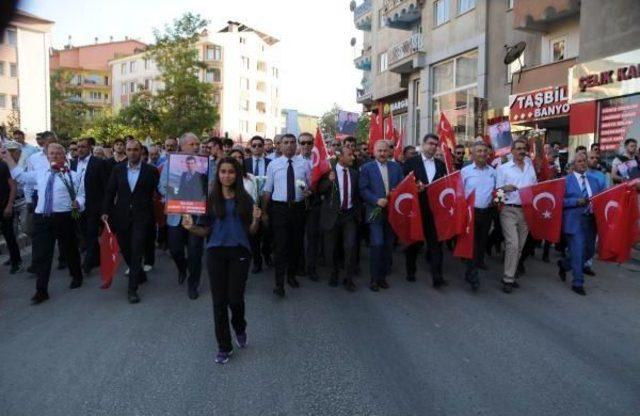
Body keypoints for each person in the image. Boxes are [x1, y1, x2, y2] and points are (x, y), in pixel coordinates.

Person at [181, 157, 261, 364]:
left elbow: (252, 231)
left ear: (237, 175)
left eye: (231, 172)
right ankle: (224, 347)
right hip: (216, 253)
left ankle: (240, 327)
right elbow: (205, 230)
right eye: (223, 172)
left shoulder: (245, 199)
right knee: (219, 303)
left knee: (235, 299)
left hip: (240, 253)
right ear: (218, 175)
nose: (227, 175)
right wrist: (191, 228)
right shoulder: (210, 200)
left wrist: (256, 220)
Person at [2, 143, 85, 304]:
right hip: (43, 218)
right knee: (42, 254)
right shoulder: (40, 173)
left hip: (64, 217)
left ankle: (77, 275)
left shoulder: (72, 175)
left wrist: (79, 203)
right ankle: (41, 290)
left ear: (64, 155)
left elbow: (82, 195)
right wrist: (8, 157)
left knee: (69, 249)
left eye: (58, 153)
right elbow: (19, 176)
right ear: (47, 156)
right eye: (51, 153)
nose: (54, 156)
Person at [102, 139, 159, 303]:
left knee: (136, 251)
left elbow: (160, 190)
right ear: (125, 152)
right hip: (121, 216)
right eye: (129, 150)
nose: (132, 152)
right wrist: (105, 211)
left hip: (142, 217)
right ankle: (139, 274)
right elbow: (110, 192)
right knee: (126, 249)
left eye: (136, 149)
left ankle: (132, 289)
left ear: (141, 151)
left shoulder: (151, 171)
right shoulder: (118, 170)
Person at [159, 132, 208, 300]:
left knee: (195, 251)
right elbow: (162, 186)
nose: (196, 147)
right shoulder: (170, 164)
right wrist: (175, 195)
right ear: (183, 146)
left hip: (197, 215)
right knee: (175, 249)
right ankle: (182, 268)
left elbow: (211, 187)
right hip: (176, 214)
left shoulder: (206, 164)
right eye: (192, 144)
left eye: (197, 144)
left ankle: (193, 284)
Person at [262, 133, 311, 297]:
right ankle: (279, 284)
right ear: (280, 146)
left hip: (297, 208)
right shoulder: (273, 165)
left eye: (292, 142)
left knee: (296, 245)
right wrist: (263, 212)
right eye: (285, 143)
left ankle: (291, 275)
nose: (289, 145)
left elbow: (309, 186)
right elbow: (268, 189)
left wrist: (307, 192)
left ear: (296, 145)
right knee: (281, 246)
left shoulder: (304, 164)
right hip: (279, 209)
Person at [403, 134, 448, 287]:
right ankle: (410, 270)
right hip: (417, 210)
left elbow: (444, 186)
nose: (433, 147)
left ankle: (438, 277)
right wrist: (414, 186)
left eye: (436, 144)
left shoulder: (441, 165)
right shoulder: (411, 162)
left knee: (436, 244)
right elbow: (403, 185)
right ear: (422, 144)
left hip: (435, 212)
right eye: (430, 143)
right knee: (415, 243)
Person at [557, 152, 606, 296]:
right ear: (573, 164)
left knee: (589, 251)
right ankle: (578, 283)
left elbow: (602, 199)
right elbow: (559, 201)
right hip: (574, 220)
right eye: (579, 161)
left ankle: (565, 264)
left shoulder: (594, 181)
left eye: (584, 160)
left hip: (591, 221)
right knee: (577, 251)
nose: (583, 163)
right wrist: (575, 202)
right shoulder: (565, 181)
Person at [359, 140, 404, 291]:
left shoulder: (396, 167)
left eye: (385, 151)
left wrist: (397, 191)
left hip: (392, 213)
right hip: (374, 212)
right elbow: (363, 189)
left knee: (388, 246)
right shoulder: (366, 168)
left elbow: (402, 187)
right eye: (380, 151)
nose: (383, 153)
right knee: (377, 244)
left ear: (389, 152)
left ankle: (382, 277)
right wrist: (376, 200)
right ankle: (373, 279)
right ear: (374, 151)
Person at [496, 138, 537, 293]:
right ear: (512, 151)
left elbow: (535, 188)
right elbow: (497, 194)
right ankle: (508, 278)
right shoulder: (503, 169)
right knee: (512, 244)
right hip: (509, 210)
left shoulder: (530, 168)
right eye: (518, 148)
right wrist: (504, 188)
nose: (521, 151)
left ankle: (510, 272)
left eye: (523, 148)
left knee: (519, 247)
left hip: (526, 211)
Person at [317, 146, 359, 290]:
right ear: (340, 157)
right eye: (349, 155)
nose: (353, 157)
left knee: (350, 246)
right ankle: (333, 274)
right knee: (332, 248)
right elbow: (319, 190)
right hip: (332, 216)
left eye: (353, 155)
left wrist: (357, 214)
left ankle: (348, 278)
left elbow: (357, 195)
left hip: (349, 216)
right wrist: (329, 181)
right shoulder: (329, 171)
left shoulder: (354, 173)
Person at [460, 141, 496, 291]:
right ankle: (472, 275)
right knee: (472, 244)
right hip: (470, 212)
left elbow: (496, 190)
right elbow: (459, 192)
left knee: (481, 243)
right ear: (473, 154)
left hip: (487, 212)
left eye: (484, 151)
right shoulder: (465, 171)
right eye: (479, 151)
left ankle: (474, 264)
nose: (482, 154)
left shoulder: (493, 171)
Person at [70, 137, 109, 275]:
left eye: (83, 147)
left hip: (93, 206)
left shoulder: (98, 163)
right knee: (83, 234)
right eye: (77, 147)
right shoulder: (72, 164)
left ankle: (87, 264)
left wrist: (105, 208)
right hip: (76, 206)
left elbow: (105, 187)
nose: (80, 150)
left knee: (92, 234)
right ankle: (97, 258)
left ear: (90, 148)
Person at [298, 132, 321, 280]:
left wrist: (313, 191)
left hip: (315, 203)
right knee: (298, 237)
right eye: (303, 143)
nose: (306, 145)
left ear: (313, 144)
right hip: (298, 204)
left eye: (309, 142)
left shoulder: (320, 161)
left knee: (312, 237)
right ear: (299, 145)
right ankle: (299, 265)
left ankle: (311, 268)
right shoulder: (293, 162)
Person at [0, 154, 21, 273]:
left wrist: (9, 205)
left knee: (9, 234)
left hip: (4, 206)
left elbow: (13, 186)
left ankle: (15, 261)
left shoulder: (4, 166)